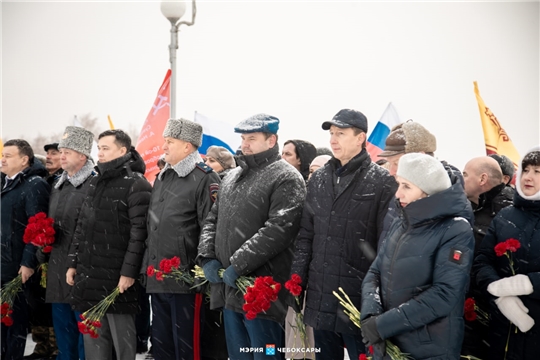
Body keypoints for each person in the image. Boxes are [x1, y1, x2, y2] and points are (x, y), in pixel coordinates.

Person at [289, 109, 396, 360]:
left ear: (360, 138)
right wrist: (297, 279)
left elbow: (385, 244)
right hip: (320, 288)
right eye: (332, 134)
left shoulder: (381, 181)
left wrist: (377, 293)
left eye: (341, 133)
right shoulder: (319, 179)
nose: (333, 140)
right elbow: (306, 234)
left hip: (357, 293)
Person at [198, 113, 306, 360]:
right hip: (230, 290)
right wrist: (207, 257)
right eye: (243, 138)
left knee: (264, 355)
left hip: (263, 294)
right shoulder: (233, 177)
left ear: (271, 140)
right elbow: (212, 219)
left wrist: (238, 264)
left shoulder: (286, 177)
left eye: (252, 138)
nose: (244, 144)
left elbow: (278, 229)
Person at [361, 153, 475, 360]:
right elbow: (375, 271)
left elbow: (445, 294)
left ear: (427, 192)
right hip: (389, 341)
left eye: (407, 187)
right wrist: (371, 314)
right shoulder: (401, 223)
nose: (398, 194)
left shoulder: (456, 229)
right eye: (399, 184)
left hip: (428, 348)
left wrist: (383, 325)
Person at [66, 129, 152, 360]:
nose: (100, 153)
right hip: (90, 274)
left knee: (122, 342)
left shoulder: (136, 183)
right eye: (99, 148)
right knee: (94, 341)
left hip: (118, 278)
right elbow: (82, 226)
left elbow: (139, 234)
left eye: (106, 148)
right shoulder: (95, 182)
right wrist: (73, 262)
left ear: (122, 151)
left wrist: (128, 272)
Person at [142, 118, 221, 360]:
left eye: (170, 141)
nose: (163, 146)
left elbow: (210, 228)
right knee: (163, 346)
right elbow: (153, 227)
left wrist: (196, 270)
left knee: (188, 349)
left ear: (188, 146)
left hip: (186, 280)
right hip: (158, 276)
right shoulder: (163, 176)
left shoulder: (205, 178)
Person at [473, 146, 540, 360]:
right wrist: (498, 293)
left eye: (537, 172)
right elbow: (483, 261)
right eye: (526, 169)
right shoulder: (505, 216)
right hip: (499, 330)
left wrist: (527, 284)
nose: (528, 177)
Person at [35, 126, 96, 360]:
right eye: (61, 151)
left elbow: (90, 228)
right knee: (64, 336)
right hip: (57, 268)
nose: (61, 156)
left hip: (80, 269)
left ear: (82, 155)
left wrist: (77, 260)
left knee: (84, 336)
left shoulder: (93, 183)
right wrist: (43, 245)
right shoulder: (59, 184)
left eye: (67, 152)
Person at [1, 139, 51, 360]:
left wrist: (28, 262)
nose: (2, 159)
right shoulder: (3, 182)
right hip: (1, 263)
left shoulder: (34, 184)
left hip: (16, 267)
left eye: (8, 155)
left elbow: (37, 226)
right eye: (2, 155)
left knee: (14, 323)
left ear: (24, 160)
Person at [461, 156, 514, 357]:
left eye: (465, 174)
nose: (461, 179)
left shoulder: (508, 214)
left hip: (494, 314)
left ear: (482, 179)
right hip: (471, 311)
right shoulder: (471, 207)